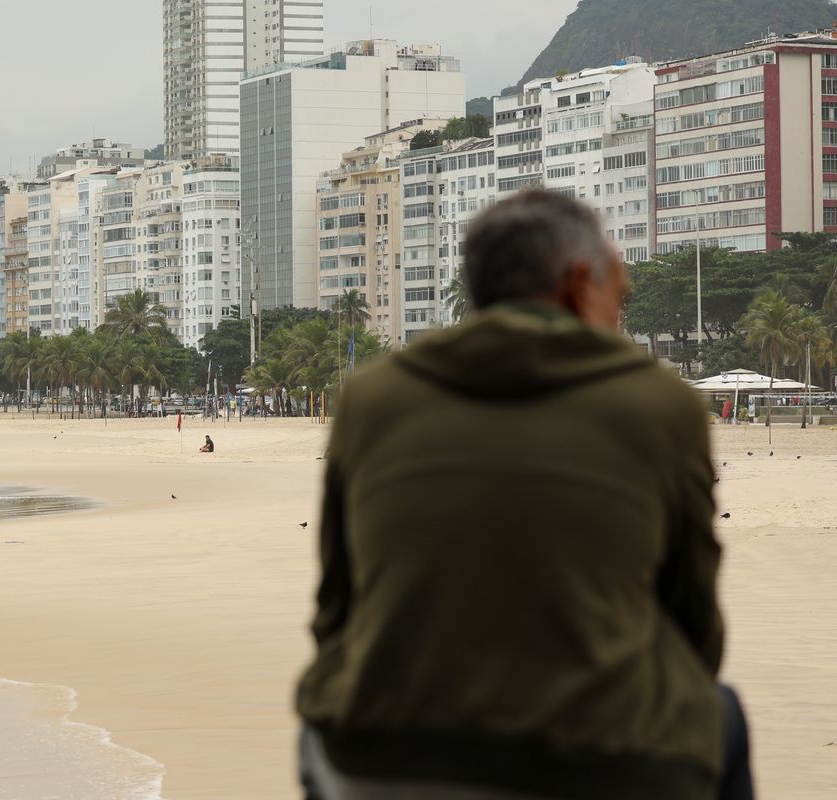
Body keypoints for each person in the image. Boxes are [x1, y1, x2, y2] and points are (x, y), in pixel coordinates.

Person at [297, 191, 749, 800]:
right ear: (577, 283)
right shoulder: (657, 402)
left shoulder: (372, 396)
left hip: (383, 752)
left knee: (322, 714)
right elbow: (695, 622)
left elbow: (336, 609)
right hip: (605, 762)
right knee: (721, 715)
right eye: (619, 287)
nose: (621, 304)